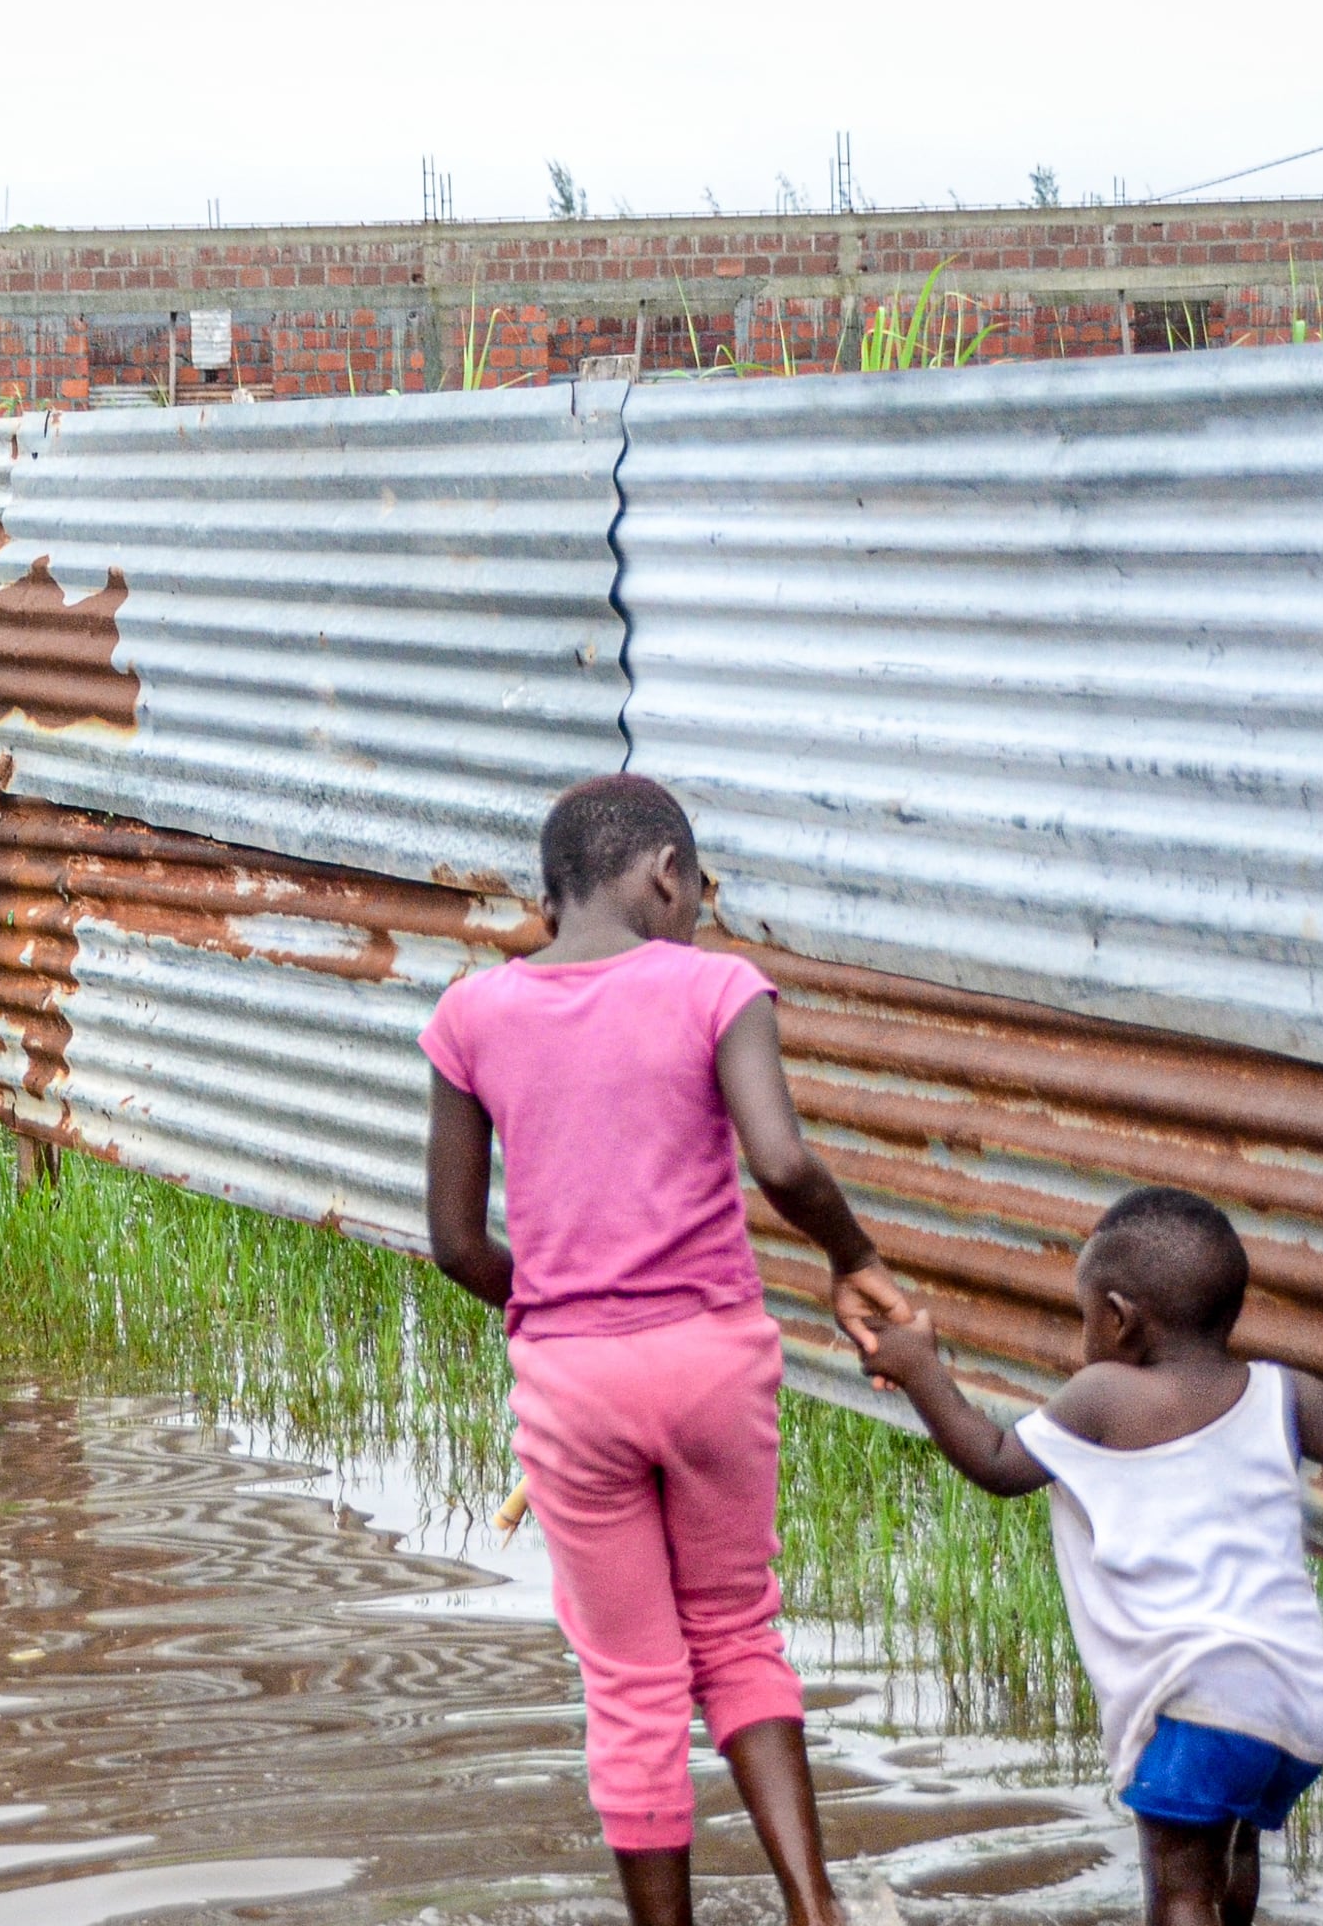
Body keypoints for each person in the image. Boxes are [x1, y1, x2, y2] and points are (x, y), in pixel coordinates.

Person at [421, 772, 916, 1926]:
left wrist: (545, 1304)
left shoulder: (470, 1015)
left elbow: (452, 1241)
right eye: (700, 891)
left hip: (573, 1380)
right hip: (710, 1360)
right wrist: (851, 1256)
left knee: (634, 1688)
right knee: (739, 1634)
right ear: (666, 875)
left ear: (550, 898)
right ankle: (813, 1907)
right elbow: (785, 1167)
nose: (699, 912)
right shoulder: (716, 988)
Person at [858, 1186, 1323, 1926]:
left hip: (1198, 1694)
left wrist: (923, 1369)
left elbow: (995, 1462)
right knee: (1231, 1862)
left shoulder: (1104, 1396)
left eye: (1084, 1315)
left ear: (1118, 1320)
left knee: (1180, 1891)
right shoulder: (1282, 1393)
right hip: (1296, 1698)